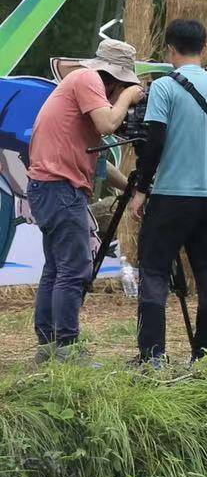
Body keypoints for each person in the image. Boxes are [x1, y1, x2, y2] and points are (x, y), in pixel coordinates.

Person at [26, 38, 144, 358]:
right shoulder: (87, 78)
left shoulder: (79, 90)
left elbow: (100, 165)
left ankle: (49, 345)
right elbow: (109, 122)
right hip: (59, 188)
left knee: (57, 268)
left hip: (51, 187)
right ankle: (66, 346)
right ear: (116, 79)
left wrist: (133, 189)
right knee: (74, 269)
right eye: (125, 87)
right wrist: (131, 96)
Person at [126, 21, 207, 364]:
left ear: (170, 48)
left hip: (172, 194)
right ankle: (206, 357)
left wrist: (142, 189)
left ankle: (153, 355)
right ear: (204, 47)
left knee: (155, 272)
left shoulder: (164, 88)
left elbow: (154, 140)